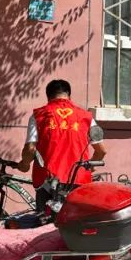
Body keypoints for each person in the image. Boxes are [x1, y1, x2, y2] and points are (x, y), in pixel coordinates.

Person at [17, 80, 107, 209]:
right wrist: (89, 168)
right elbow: (101, 151)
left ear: (48, 96)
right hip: (78, 181)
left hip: (49, 182)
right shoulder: (86, 117)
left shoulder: (39, 115)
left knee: (46, 220)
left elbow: (30, 148)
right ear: (69, 95)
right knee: (75, 220)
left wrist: (25, 164)